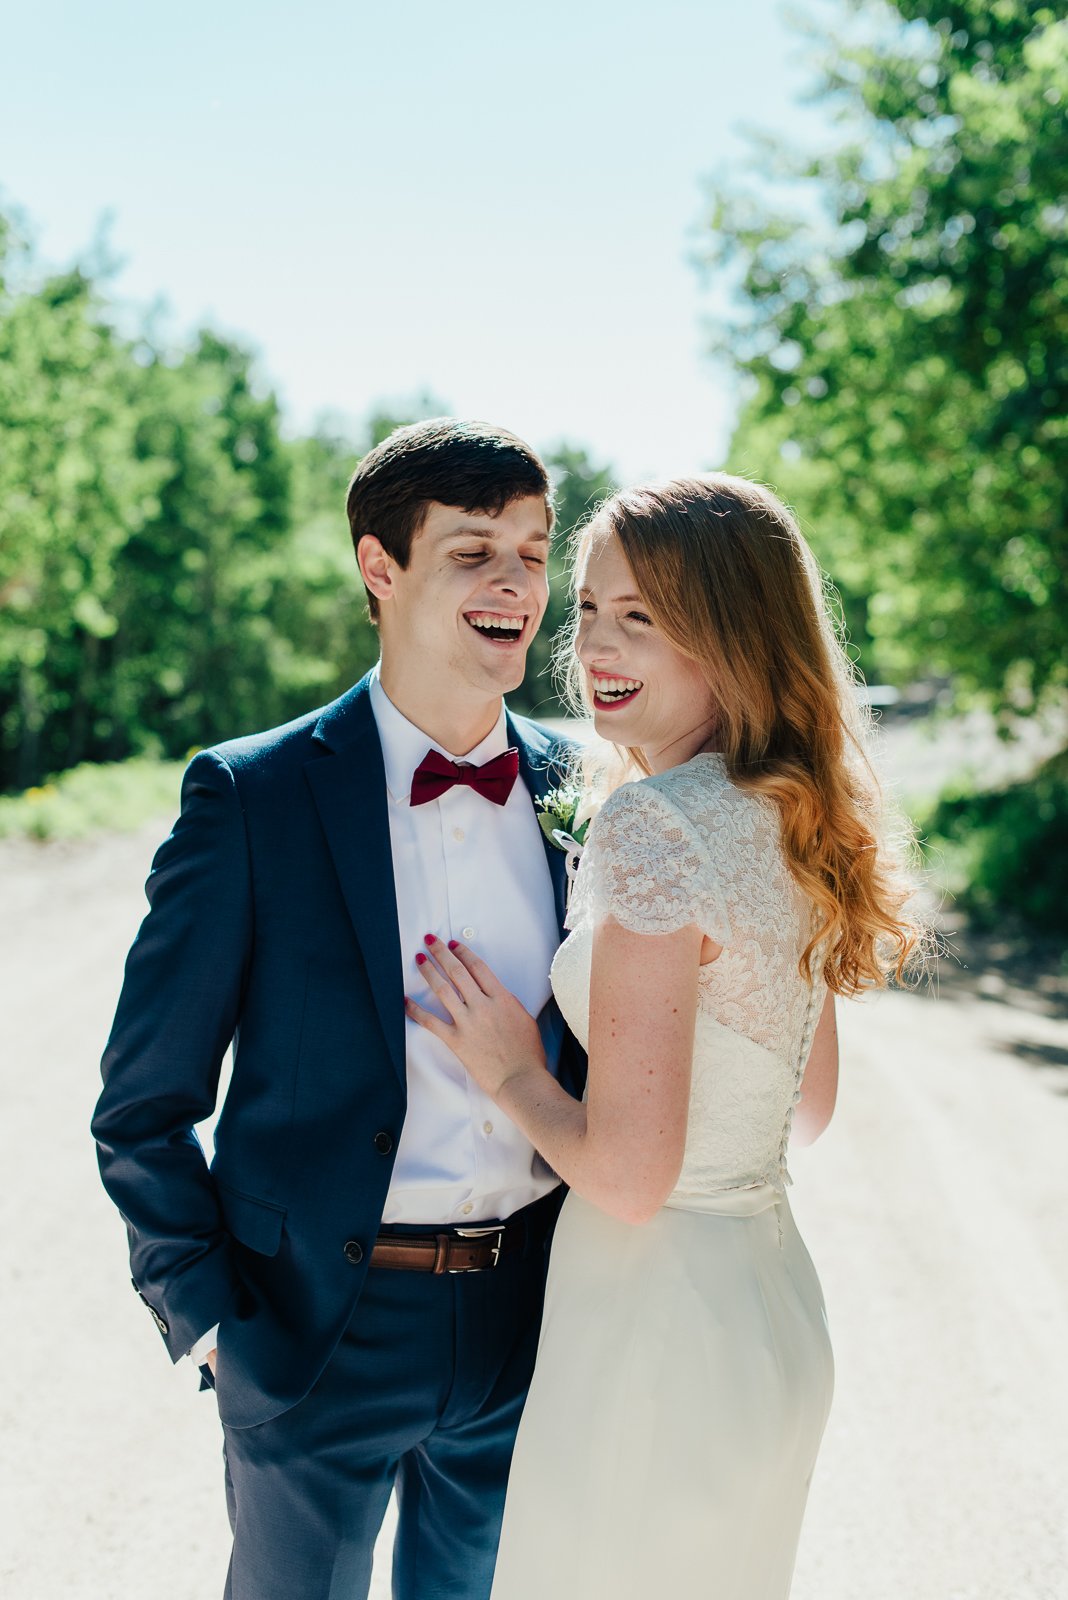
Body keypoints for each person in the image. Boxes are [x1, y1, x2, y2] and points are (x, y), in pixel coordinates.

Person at [91, 419, 587, 1600]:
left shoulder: (590, 791)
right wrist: (212, 1319)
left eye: (531, 548)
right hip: (315, 1326)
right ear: (381, 567)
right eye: (473, 552)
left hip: (535, 1318)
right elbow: (143, 1104)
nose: (516, 581)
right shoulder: (250, 796)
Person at [406, 474, 920, 1600]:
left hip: (652, 1332)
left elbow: (632, 1180)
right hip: (769, 1308)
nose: (594, 643)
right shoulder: (792, 811)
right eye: (589, 609)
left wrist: (512, 1070)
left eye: (642, 615)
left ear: (731, 634)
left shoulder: (655, 823)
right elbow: (810, 1106)